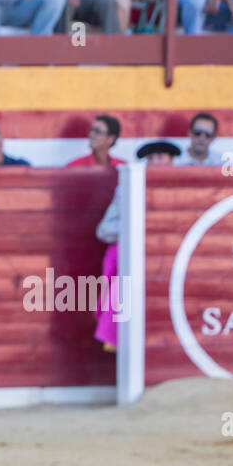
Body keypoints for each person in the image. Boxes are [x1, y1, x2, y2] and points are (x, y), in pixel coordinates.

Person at [91, 140, 179, 352]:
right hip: (139, 256)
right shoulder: (128, 189)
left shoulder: (181, 188)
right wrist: (136, 227)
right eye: (152, 159)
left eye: (161, 158)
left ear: (172, 162)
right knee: (120, 260)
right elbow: (104, 230)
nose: (156, 163)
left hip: (171, 255)